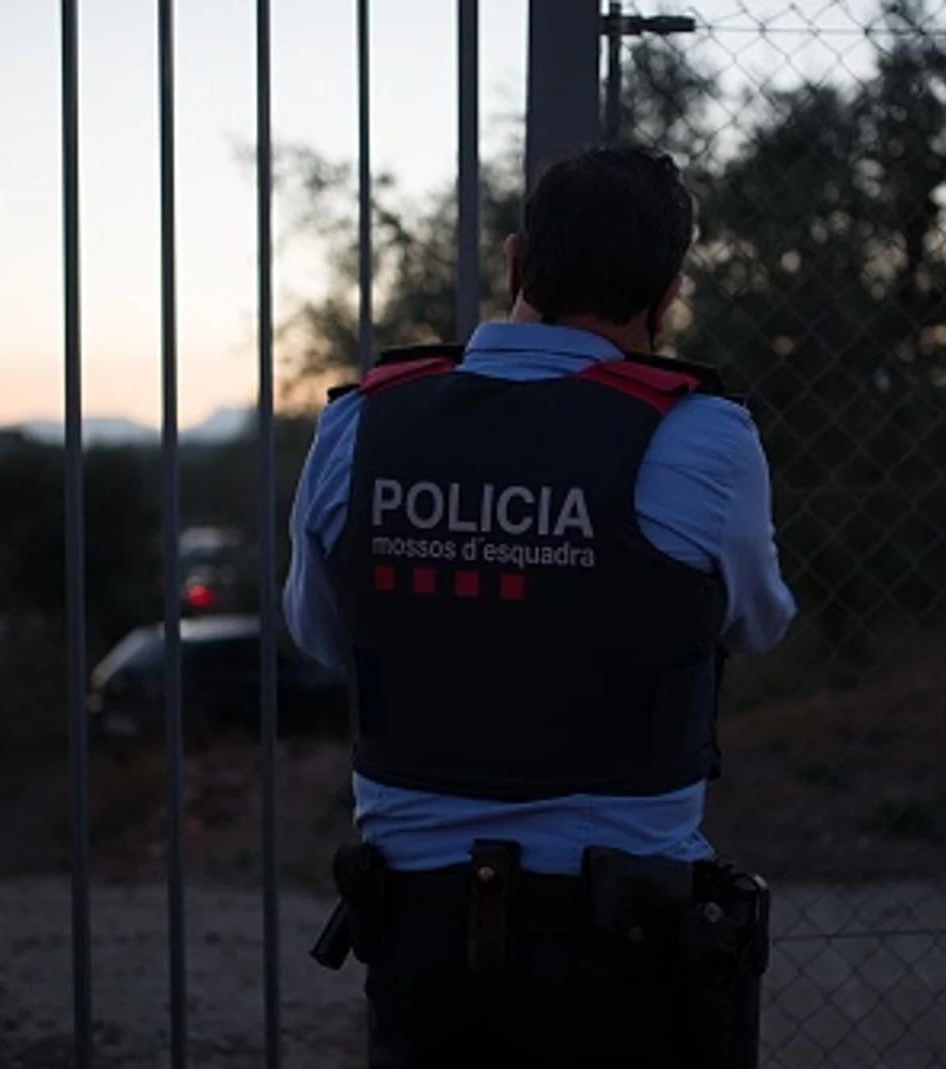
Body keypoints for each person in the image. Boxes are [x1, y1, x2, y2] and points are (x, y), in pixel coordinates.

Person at [285, 144, 796, 1069]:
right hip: (622, 943)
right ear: (668, 291)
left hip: (417, 941)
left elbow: (321, 635)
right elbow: (757, 623)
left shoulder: (361, 422)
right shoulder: (700, 434)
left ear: (516, 261)